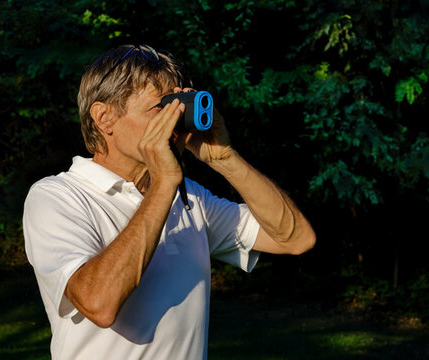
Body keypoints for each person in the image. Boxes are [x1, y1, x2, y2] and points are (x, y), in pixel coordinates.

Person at [22, 44, 315, 359]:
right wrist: (163, 185)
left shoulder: (188, 197)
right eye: (159, 108)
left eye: (177, 106)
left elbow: (296, 238)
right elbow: (99, 304)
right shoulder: (56, 197)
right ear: (104, 117)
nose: (173, 122)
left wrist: (225, 158)